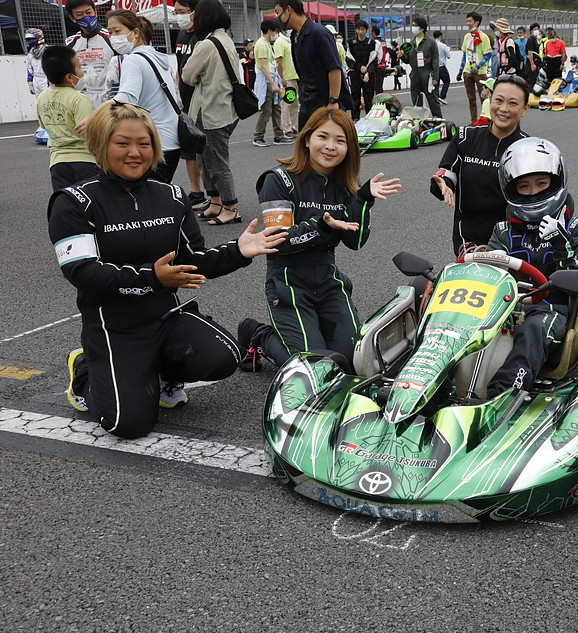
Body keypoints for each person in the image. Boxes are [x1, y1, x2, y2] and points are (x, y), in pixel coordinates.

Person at [51, 101, 287, 439]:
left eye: (144, 143)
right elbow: (82, 272)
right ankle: (86, 370)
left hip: (165, 317)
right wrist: (153, 278)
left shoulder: (172, 196)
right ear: (100, 145)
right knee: (128, 425)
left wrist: (238, 250)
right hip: (113, 325)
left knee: (224, 356)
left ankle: (161, 375)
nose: (135, 152)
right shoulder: (74, 201)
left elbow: (194, 259)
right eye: (122, 143)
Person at [237, 107, 400, 370]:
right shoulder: (278, 180)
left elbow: (355, 243)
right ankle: (258, 335)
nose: (330, 146)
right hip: (288, 282)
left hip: (328, 280)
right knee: (314, 368)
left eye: (340, 140)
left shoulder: (345, 183)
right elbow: (278, 242)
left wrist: (362, 199)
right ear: (306, 139)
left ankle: (312, 334)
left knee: (354, 361)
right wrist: (322, 228)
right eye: (323, 137)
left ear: (349, 148)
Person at [485, 138, 578, 397]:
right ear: (511, 189)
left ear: (556, 181)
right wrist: (491, 261)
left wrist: (560, 244)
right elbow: (487, 275)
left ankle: (504, 394)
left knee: (533, 329)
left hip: (552, 310)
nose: (533, 192)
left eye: (541, 183)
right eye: (523, 186)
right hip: (503, 308)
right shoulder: (502, 231)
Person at [431, 74, 530, 255]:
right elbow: (447, 173)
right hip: (469, 239)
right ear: (490, 100)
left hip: (514, 238)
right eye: (498, 100)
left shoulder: (529, 148)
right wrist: (443, 183)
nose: (504, 109)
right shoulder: (465, 137)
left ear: (525, 109)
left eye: (513, 103)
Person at [181, 0, 243, 226]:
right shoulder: (226, 39)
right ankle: (215, 202)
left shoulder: (206, 45)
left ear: (203, 18)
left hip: (211, 111)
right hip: (224, 108)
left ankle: (230, 207)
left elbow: (187, 76)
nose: (191, 18)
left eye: (194, 14)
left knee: (216, 161)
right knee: (205, 158)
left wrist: (199, 76)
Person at [104, 9, 182, 183]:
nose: (113, 37)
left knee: (141, 195)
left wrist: (96, 117)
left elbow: (127, 97)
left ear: (136, 33)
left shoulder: (133, 60)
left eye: (117, 31)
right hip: (172, 142)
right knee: (158, 193)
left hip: (152, 143)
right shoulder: (158, 58)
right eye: (110, 32)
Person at [273, 0, 352, 130]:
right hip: (307, 102)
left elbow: (334, 68)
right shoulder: (295, 36)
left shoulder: (319, 33)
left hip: (324, 103)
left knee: (326, 140)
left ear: (289, 10)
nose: (277, 18)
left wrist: (333, 101)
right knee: (305, 140)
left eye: (278, 12)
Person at [36, 45, 99, 191]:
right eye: (79, 68)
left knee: (66, 201)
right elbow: (89, 133)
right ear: (69, 77)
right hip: (85, 162)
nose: (82, 72)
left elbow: (44, 126)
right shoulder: (79, 99)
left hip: (57, 163)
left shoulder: (42, 97)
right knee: (92, 200)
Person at [173, 0, 209, 211]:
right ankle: (196, 192)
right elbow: (179, 67)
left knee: (206, 151)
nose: (179, 16)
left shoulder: (203, 36)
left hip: (202, 101)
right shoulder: (181, 35)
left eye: (182, 11)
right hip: (185, 102)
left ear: (194, 12)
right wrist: (178, 97)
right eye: (176, 12)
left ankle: (215, 193)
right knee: (188, 148)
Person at [64, 0, 115, 108]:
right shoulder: (71, 43)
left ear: (95, 12)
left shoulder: (111, 38)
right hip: (82, 100)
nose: (86, 17)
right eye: (80, 14)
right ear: (72, 18)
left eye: (88, 12)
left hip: (109, 100)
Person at [252, 19, 288, 148]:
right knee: (266, 110)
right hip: (267, 81)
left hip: (272, 79)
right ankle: (258, 136)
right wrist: (272, 83)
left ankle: (279, 136)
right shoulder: (261, 44)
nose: (276, 34)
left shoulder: (267, 44)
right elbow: (263, 66)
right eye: (275, 31)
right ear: (269, 31)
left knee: (276, 109)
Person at [399, 16, 442, 116]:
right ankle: (419, 121)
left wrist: (435, 77)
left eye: (415, 26)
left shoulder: (431, 42)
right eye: (412, 25)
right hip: (415, 75)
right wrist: (402, 56)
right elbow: (407, 60)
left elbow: (435, 60)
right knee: (416, 102)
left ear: (422, 28)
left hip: (427, 75)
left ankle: (439, 121)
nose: (413, 28)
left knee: (433, 101)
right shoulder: (411, 43)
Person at [458, 12, 493, 123]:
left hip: (480, 72)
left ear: (476, 23)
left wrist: (478, 66)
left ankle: (486, 120)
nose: (467, 23)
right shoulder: (467, 37)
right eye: (467, 21)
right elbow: (464, 55)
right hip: (468, 71)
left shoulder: (484, 37)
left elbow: (488, 55)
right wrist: (460, 70)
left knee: (484, 98)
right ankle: (473, 121)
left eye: (469, 21)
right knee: (471, 99)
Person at [346, 19, 377, 120]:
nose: (360, 32)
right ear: (356, 30)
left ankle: (370, 120)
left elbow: (374, 60)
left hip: (368, 75)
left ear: (366, 30)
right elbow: (348, 60)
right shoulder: (351, 42)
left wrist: (368, 71)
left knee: (369, 99)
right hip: (355, 74)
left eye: (363, 29)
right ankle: (355, 120)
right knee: (355, 98)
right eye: (358, 29)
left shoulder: (371, 43)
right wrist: (359, 67)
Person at [274, 25, 300, 138]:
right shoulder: (280, 42)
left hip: (294, 76)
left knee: (294, 104)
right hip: (286, 78)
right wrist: (282, 77)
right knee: (286, 104)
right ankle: (287, 129)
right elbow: (278, 61)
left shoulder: (289, 41)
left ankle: (292, 126)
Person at [434, 30, 451, 105]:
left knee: (436, 83)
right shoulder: (443, 46)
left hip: (434, 67)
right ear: (440, 36)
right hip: (441, 66)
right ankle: (442, 97)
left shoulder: (431, 44)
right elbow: (448, 56)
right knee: (447, 81)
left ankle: (436, 98)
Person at [371, 26, 389, 93]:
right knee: (380, 86)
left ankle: (379, 99)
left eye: (371, 31)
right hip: (383, 66)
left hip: (377, 66)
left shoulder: (376, 42)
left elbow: (374, 54)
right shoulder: (383, 42)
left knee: (377, 86)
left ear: (373, 32)